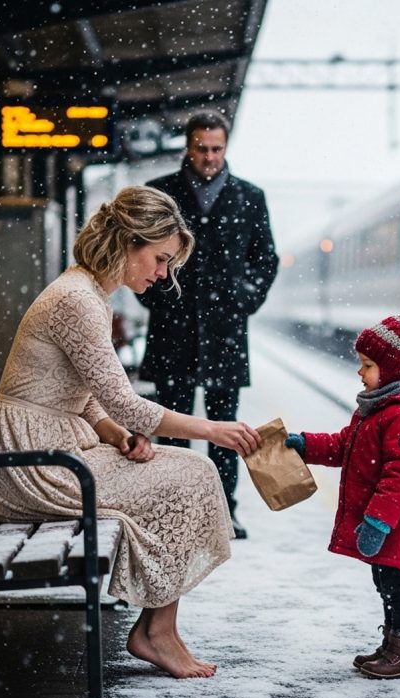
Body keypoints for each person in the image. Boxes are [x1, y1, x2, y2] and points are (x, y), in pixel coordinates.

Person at [0, 186, 262, 680]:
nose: (162, 273)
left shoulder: (87, 292)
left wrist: (114, 435)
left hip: (50, 449)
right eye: (159, 259)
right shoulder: (78, 300)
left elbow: (90, 399)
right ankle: (156, 632)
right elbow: (125, 402)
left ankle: (159, 629)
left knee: (185, 471)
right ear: (129, 243)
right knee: (191, 472)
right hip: (29, 464)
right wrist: (212, 429)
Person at [285, 300, 400, 679]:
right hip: (390, 520)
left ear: (394, 370)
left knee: (398, 584)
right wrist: (306, 444)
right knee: (386, 582)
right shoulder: (379, 409)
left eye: (368, 365)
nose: (359, 372)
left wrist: (378, 523)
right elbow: (345, 446)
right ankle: (393, 644)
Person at [136, 110, 279, 539]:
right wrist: (154, 297)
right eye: (202, 148)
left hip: (225, 331)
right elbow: (136, 249)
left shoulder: (249, 198)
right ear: (188, 145)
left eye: (217, 148)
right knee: (172, 425)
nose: (210, 157)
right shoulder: (161, 193)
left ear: (226, 146)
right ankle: (175, 507)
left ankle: (223, 511)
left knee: (227, 429)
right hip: (173, 326)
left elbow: (265, 259)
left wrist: (244, 301)